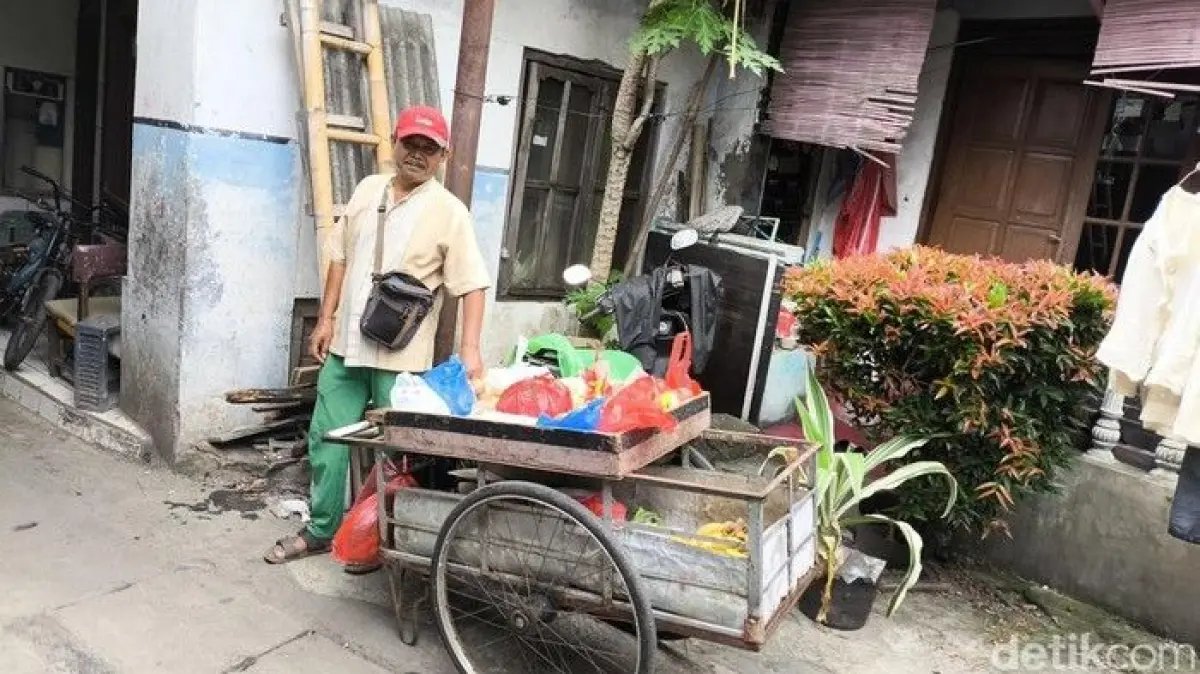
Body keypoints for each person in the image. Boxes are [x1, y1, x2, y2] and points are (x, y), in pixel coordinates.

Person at [264, 105, 490, 568]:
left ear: (442, 157)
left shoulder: (450, 212)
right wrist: (325, 319)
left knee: (398, 457)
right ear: (395, 143)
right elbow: (340, 258)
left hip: (402, 360)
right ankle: (321, 529)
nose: (418, 154)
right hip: (347, 349)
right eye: (412, 143)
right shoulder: (368, 190)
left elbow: (472, 285)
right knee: (326, 439)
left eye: (430, 148)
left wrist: (470, 351)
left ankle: (383, 541)